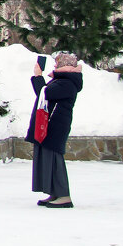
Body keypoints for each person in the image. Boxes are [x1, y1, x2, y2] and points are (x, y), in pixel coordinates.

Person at [27, 51, 83, 208]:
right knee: (48, 158)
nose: (55, 65)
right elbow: (44, 94)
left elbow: (44, 93)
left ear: (65, 65)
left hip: (55, 126)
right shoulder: (63, 80)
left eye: (57, 63)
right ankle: (55, 192)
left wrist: (38, 76)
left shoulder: (68, 83)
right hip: (50, 125)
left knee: (55, 159)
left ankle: (64, 196)